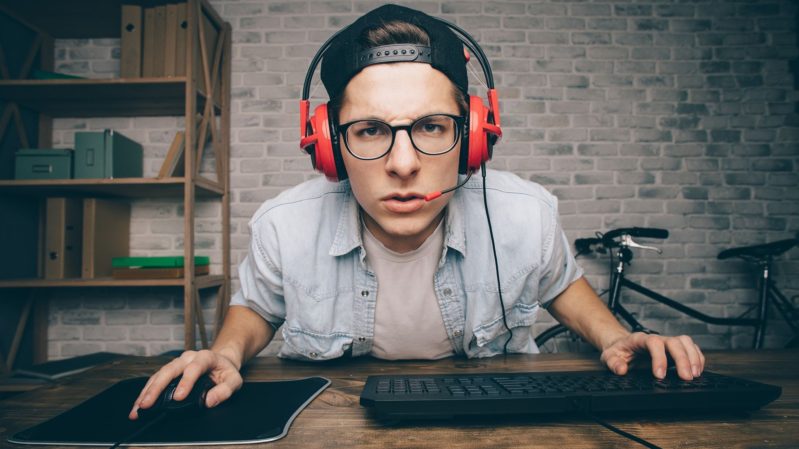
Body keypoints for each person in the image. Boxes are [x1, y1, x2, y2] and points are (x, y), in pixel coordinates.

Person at [130, 4, 704, 419]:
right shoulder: (285, 225)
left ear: (475, 139)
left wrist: (616, 338)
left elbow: (564, 287)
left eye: (432, 126)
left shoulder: (525, 215)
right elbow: (256, 308)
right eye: (370, 130)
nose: (403, 163)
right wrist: (224, 352)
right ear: (327, 147)